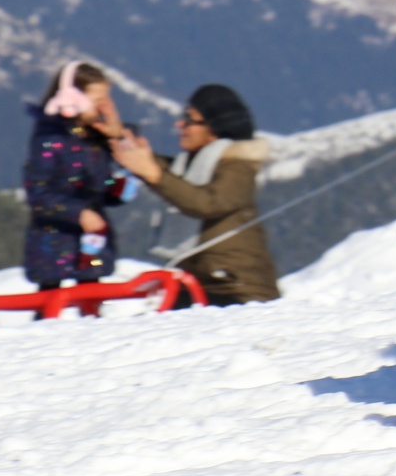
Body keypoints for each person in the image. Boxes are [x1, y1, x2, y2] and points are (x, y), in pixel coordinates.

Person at [112, 84, 281, 306]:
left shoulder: (238, 166)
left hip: (238, 290)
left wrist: (153, 173)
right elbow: (176, 178)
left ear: (214, 127)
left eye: (189, 119)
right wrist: (129, 150)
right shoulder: (196, 165)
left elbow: (207, 202)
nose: (179, 124)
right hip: (201, 284)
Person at [22, 61, 135, 289]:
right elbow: (38, 194)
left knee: (90, 308)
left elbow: (104, 188)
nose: (104, 109)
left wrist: (118, 141)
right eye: (98, 101)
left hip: (90, 248)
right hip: (53, 248)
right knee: (50, 309)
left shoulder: (94, 139)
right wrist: (79, 213)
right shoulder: (50, 139)